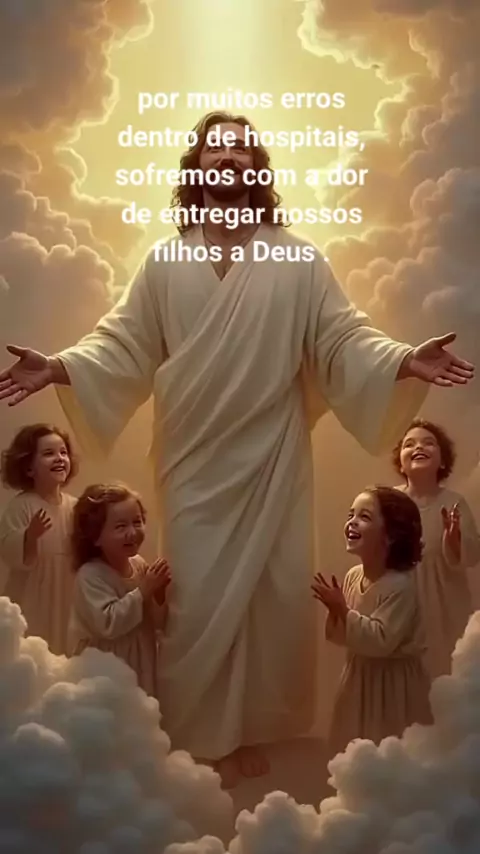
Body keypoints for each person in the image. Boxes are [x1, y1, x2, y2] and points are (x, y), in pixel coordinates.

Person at [0, 111, 474, 788]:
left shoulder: (297, 258)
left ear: (257, 168)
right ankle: (200, 738)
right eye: (215, 151)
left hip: (273, 453)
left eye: (241, 151)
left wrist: (401, 359)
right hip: (193, 456)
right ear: (197, 167)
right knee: (195, 600)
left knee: (270, 595)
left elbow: (341, 337)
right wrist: (57, 367)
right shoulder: (165, 261)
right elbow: (123, 341)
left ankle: (257, 734)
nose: (228, 160)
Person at [312, 486, 432, 758]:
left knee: (389, 750)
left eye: (364, 517)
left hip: (394, 686)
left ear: (391, 535)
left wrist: (343, 610)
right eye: (350, 515)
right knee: (352, 743)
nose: (352, 522)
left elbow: (381, 641)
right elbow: (342, 636)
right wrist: (336, 611)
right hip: (359, 677)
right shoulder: (354, 576)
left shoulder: (400, 587)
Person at [393, 419, 480, 678]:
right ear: (400, 464)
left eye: (428, 442)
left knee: (443, 673)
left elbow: (473, 554)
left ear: (442, 461)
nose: (419, 447)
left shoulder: (454, 503)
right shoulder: (388, 502)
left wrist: (453, 540)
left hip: (445, 606)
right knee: (406, 677)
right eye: (409, 444)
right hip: (401, 606)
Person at [69, 482, 171, 699]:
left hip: (141, 661)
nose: (132, 532)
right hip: (108, 668)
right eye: (121, 526)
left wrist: (158, 594)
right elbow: (108, 623)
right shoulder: (90, 576)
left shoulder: (138, 564)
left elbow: (156, 622)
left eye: (137, 522)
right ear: (95, 536)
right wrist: (144, 590)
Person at [0, 423, 78, 654]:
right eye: (48, 453)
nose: (59, 458)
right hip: (32, 592)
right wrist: (29, 537)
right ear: (28, 468)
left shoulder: (75, 507)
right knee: (33, 648)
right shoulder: (21, 506)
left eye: (63, 452)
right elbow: (9, 550)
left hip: (66, 589)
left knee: (65, 645)